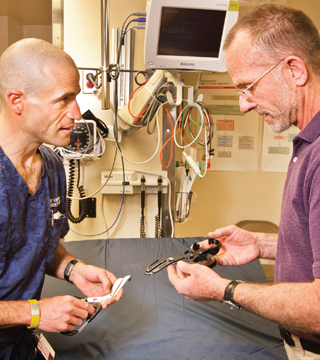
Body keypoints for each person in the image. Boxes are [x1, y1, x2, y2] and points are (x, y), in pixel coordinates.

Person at [167, 4, 320, 360]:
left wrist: (225, 290)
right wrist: (261, 244)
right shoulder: (308, 143)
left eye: (248, 87)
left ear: (294, 70)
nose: (243, 105)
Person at [0, 38, 122, 359]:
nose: (77, 112)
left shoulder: (52, 167)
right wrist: (36, 313)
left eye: (76, 97)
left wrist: (72, 269)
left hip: (20, 344)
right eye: (63, 99)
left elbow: (37, 243)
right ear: (17, 101)